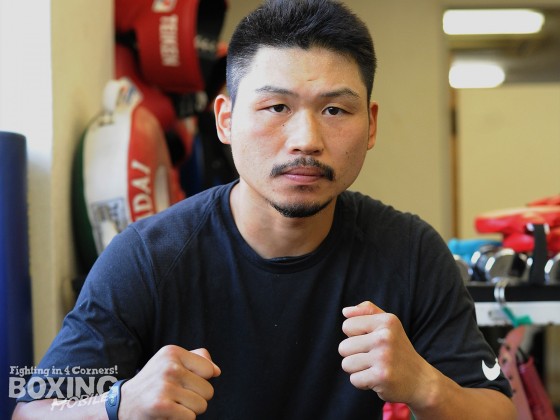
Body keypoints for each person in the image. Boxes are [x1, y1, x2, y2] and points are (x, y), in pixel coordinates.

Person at [13, 0, 516, 418]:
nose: (306, 140)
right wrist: (117, 404)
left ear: (371, 125)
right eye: (277, 107)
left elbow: (497, 410)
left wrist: (426, 386)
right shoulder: (147, 257)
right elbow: (31, 410)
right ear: (226, 120)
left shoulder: (410, 252)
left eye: (335, 110)